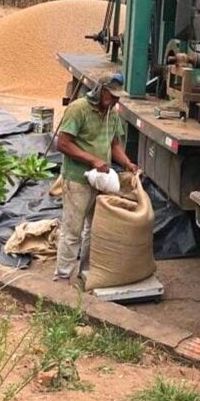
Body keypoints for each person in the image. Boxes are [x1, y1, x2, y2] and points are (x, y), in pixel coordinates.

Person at [54, 72, 139, 281]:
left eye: (118, 97)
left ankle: (86, 273)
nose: (115, 100)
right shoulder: (79, 109)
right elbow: (63, 143)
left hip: (100, 180)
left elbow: (114, 144)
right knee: (72, 229)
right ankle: (62, 277)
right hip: (77, 179)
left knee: (94, 230)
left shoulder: (113, 113)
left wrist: (127, 163)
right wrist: (92, 160)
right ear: (100, 90)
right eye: (111, 95)